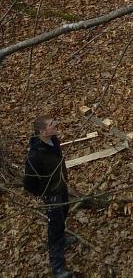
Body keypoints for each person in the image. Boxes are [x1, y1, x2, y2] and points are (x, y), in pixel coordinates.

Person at [24, 115, 76, 278]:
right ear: (42, 132)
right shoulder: (35, 155)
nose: (56, 125)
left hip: (61, 187)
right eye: (52, 124)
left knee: (63, 213)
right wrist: (44, 193)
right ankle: (58, 268)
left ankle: (62, 239)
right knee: (55, 228)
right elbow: (29, 182)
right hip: (51, 195)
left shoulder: (54, 140)